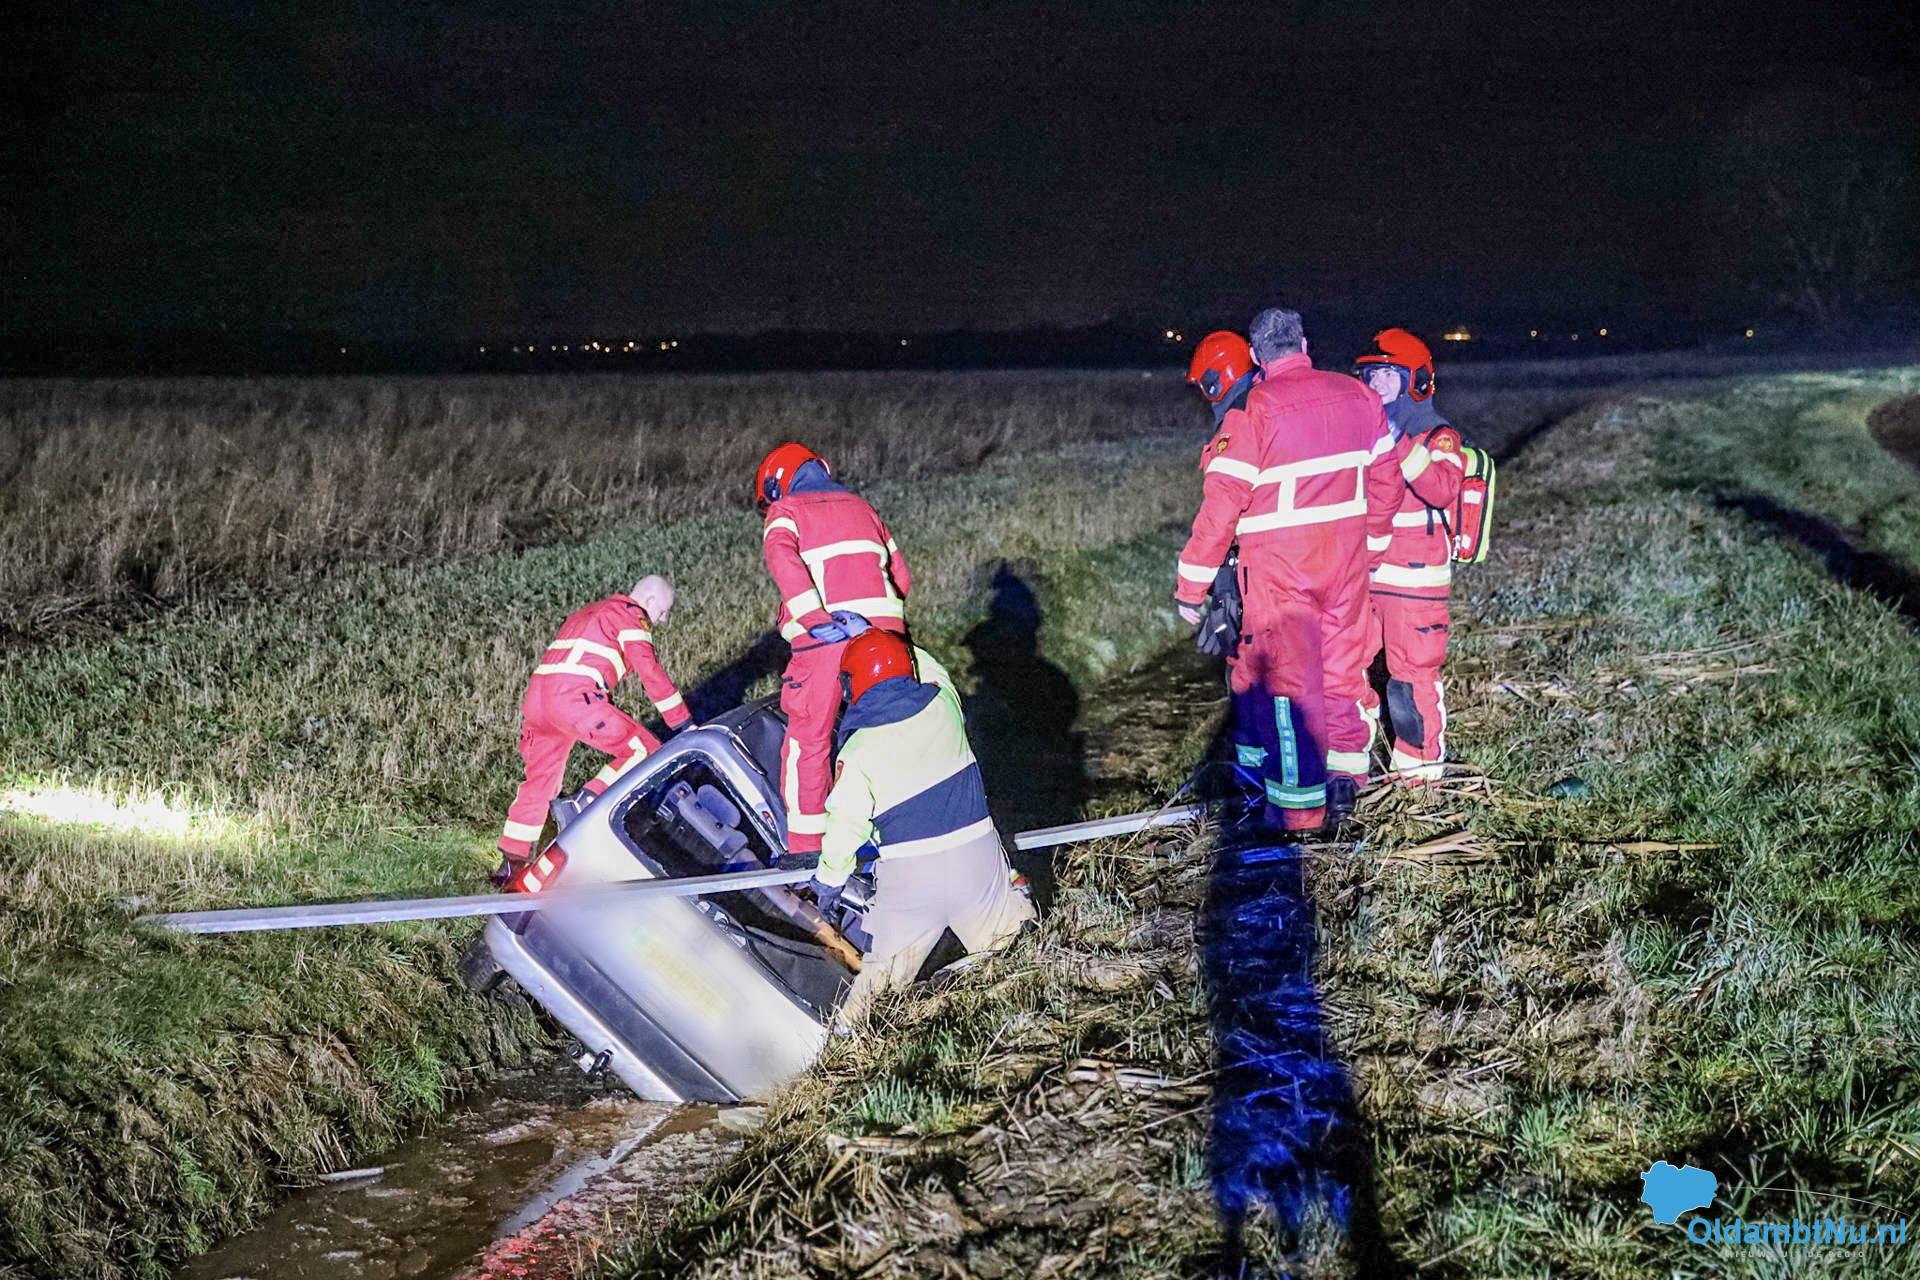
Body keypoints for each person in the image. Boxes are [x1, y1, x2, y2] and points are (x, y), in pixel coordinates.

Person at [1172, 308, 1401, 833]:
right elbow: (1385, 482)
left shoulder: (1253, 412)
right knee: (1344, 675)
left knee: (1293, 689)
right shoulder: (1359, 397)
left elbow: (1220, 509)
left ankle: (1301, 816)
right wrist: (1374, 547)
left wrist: (1191, 586)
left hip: (1281, 575)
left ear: (1256, 356)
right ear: (1304, 342)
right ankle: (1346, 786)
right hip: (1346, 564)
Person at [810, 630, 1034, 1024]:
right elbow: (931, 670)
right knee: (1017, 952)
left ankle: (844, 1052)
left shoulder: (857, 752)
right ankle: (1031, 1010)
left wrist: (829, 882)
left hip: (913, 882)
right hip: (976, 861)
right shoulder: (944, 707)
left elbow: (846, 825)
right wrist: (892, 630)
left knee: (878, 986)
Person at [756, 443, 912, 855]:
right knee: (892, 730)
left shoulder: (784, 513)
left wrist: (814, 619)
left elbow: (784, 564)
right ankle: (900, 831)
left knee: (809, 740)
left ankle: (808, 849)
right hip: (887, 642)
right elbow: (903, 578)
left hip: (827, 640)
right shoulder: (864, 508)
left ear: (777, 484)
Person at [496, 575, 691, 876]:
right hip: (574, 700)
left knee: (542, 779)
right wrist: (684, 723)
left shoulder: (587, 612)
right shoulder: (629, 615)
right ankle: (583, 803)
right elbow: (650, 672)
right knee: (645, 750)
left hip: (538, 700)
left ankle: (512, 860)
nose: (662, 620)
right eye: (663, 611)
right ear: (649, 600)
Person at [1353, 329, 1466, 783]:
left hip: (1414, 583)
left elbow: (1442, 487)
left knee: (1409, 683)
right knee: (1344, 672)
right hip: (1364, 576)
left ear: (1415, 381)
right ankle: (1350, 770)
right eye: (1370, 375)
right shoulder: (1363, 437)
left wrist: (1398, 441)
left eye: (1387, 376)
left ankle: (1418, 784)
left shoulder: (1438, 437)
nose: (1376, 385)